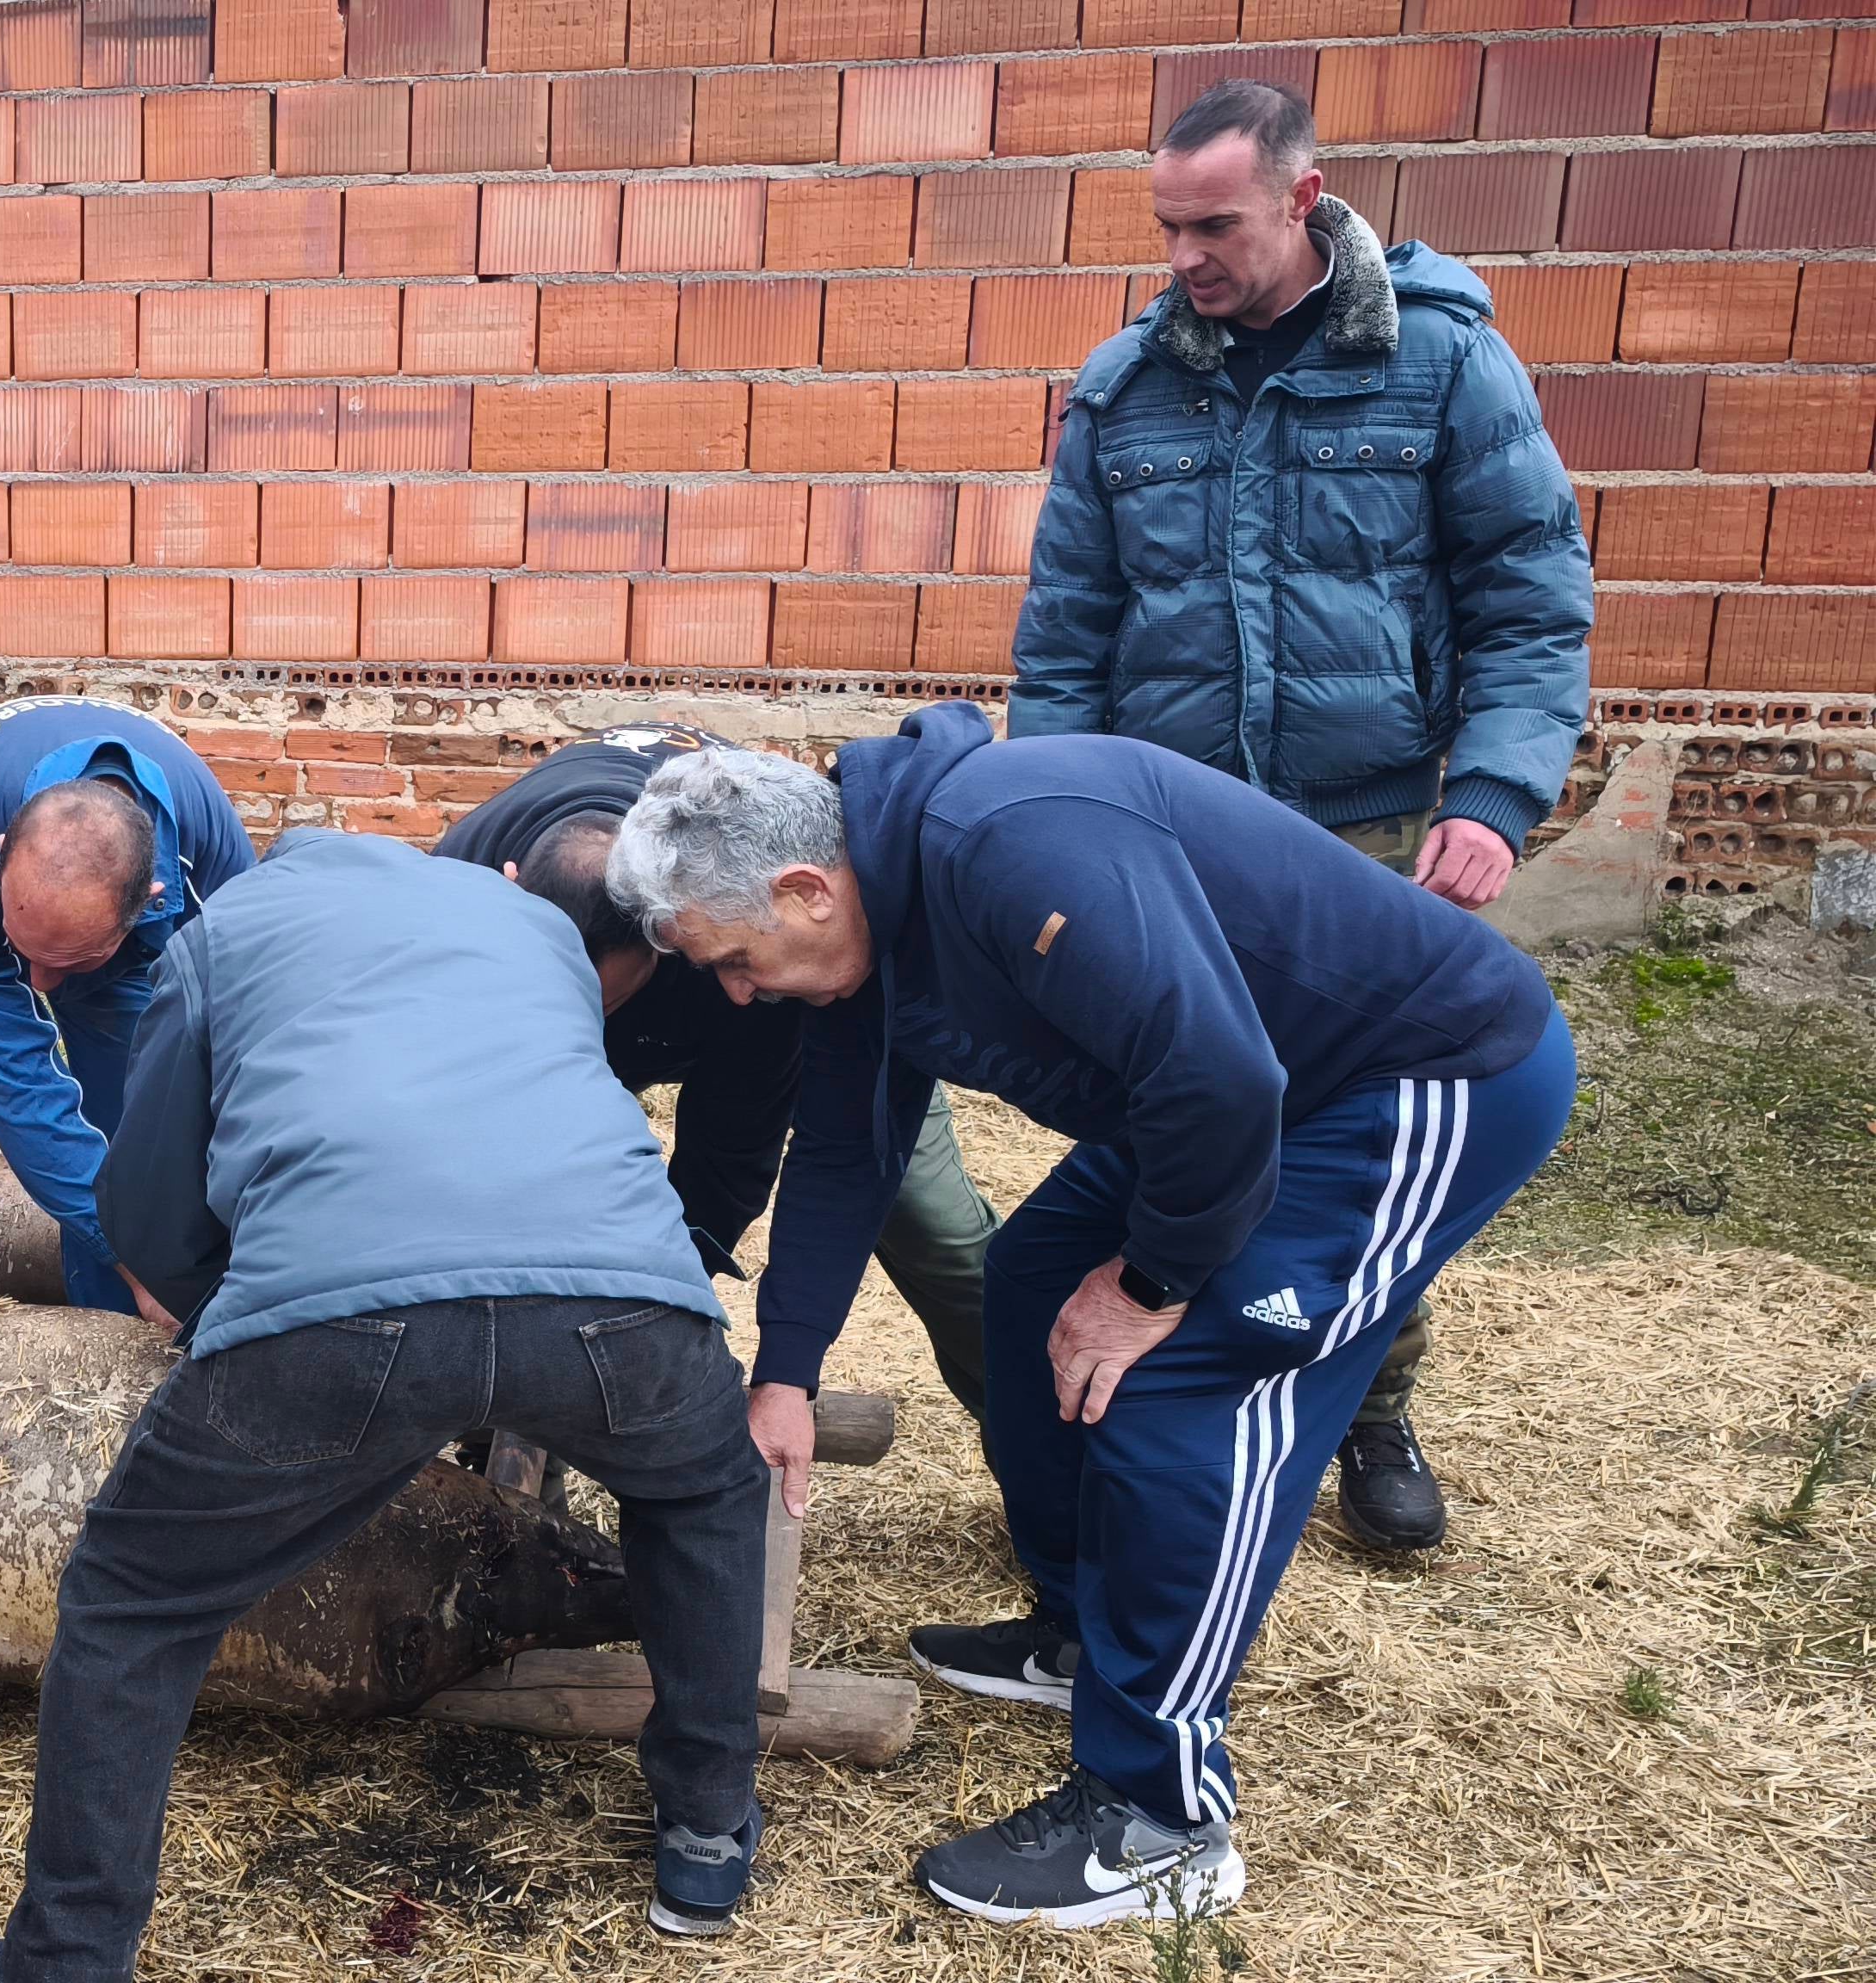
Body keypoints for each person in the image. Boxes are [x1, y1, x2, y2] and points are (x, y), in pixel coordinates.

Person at [607, 711, 1573, 1928]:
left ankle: (1163, 1817)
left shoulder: (1009, 845)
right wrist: (786, 1371)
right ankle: (1081, 1635)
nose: (737, 997)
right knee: (1026, 1288)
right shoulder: (870, 918)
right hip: (1217, 1097)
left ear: (803, 889)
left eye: (734, 960)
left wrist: (1154, 1287)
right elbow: (848, 1151)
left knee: (1189, 1385)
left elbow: (1223, 1081)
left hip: (1410, 1080)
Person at [0, 829, 771, 1983]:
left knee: (132, 1602)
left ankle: (66, 1961)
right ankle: (708, 1840)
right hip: (623, 1300)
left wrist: (218, 1310)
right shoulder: (535, 929)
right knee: (707, 1490)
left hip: (344, 1312)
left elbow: (152, 1193)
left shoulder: (224, 932)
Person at [1005, 79, 1591, 1551]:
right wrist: (1047, 828)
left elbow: (1528, 592)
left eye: (1217, 223)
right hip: (1172, 835)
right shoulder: (1125, 386)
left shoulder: (1443, 361)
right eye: (1167, 225)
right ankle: (1156, 1370)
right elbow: (1067, 636)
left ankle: (1371, 1397)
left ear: (1303, 198)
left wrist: (1501, 797)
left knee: (1351, 1128)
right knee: (1176, 1103)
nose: (1186, 254)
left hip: (1362, 833)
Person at [436, 725, 1002, 1416]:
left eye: (601, 1001)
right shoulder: (461, 896)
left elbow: (733, 1149)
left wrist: (657, 1304)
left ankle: (1038, 1433)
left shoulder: (734, 938)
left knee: (930, 1225)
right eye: (552, 998)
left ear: (662, 941)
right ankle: (525, 1462)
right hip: (578, 1020)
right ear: (509, 897)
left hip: (789, 985)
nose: (582, 1024)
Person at [0, 696, 255, 1319]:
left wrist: (156, 1263)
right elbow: (17, 1084)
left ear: (150, 899)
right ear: (3, 853)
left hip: (118, 936)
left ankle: (111, 1329)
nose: (39, 986)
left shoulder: (214, 874)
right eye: (27, 957)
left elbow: (239, 1048)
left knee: (131, 1126)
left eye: (66, 963)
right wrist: (130, 1252)